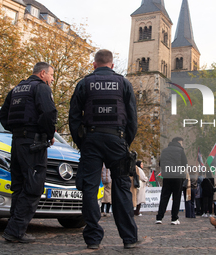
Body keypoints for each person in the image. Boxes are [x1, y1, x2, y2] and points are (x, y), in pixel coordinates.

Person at [69, 49, 138, 249]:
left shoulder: (84, 83)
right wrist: (126, 142)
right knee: (122, 187)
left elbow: (73, 117)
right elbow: (133, 118)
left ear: (94, 65)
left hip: (91, 138)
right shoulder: (124, 83)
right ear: (112, 65)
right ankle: (129, 238)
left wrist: (82, 142)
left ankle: (92, 239)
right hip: (117, 139)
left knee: (90, 188)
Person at [0, 62, 57, 243]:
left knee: (18, 186)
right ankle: (15, 231)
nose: (52, 79)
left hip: (17, 142)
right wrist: (48, 134)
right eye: (51, 75)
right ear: (42, 73)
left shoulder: (17, 89)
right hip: (33, 143)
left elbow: (3, 115)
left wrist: (17, 130)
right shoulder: (41, 88)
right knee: (33, 187)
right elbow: (48, 113)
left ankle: (14, 229)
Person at [156, 137, 187, 225]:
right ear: (179, 142)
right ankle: (174, 218)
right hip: (177, 177)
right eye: (182, 142)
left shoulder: (165, 151)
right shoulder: (181, 151)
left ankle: (159, 218)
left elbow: (160, 163)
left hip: (167, 176)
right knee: (176, 198)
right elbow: (185, 163)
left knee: (164, 197)